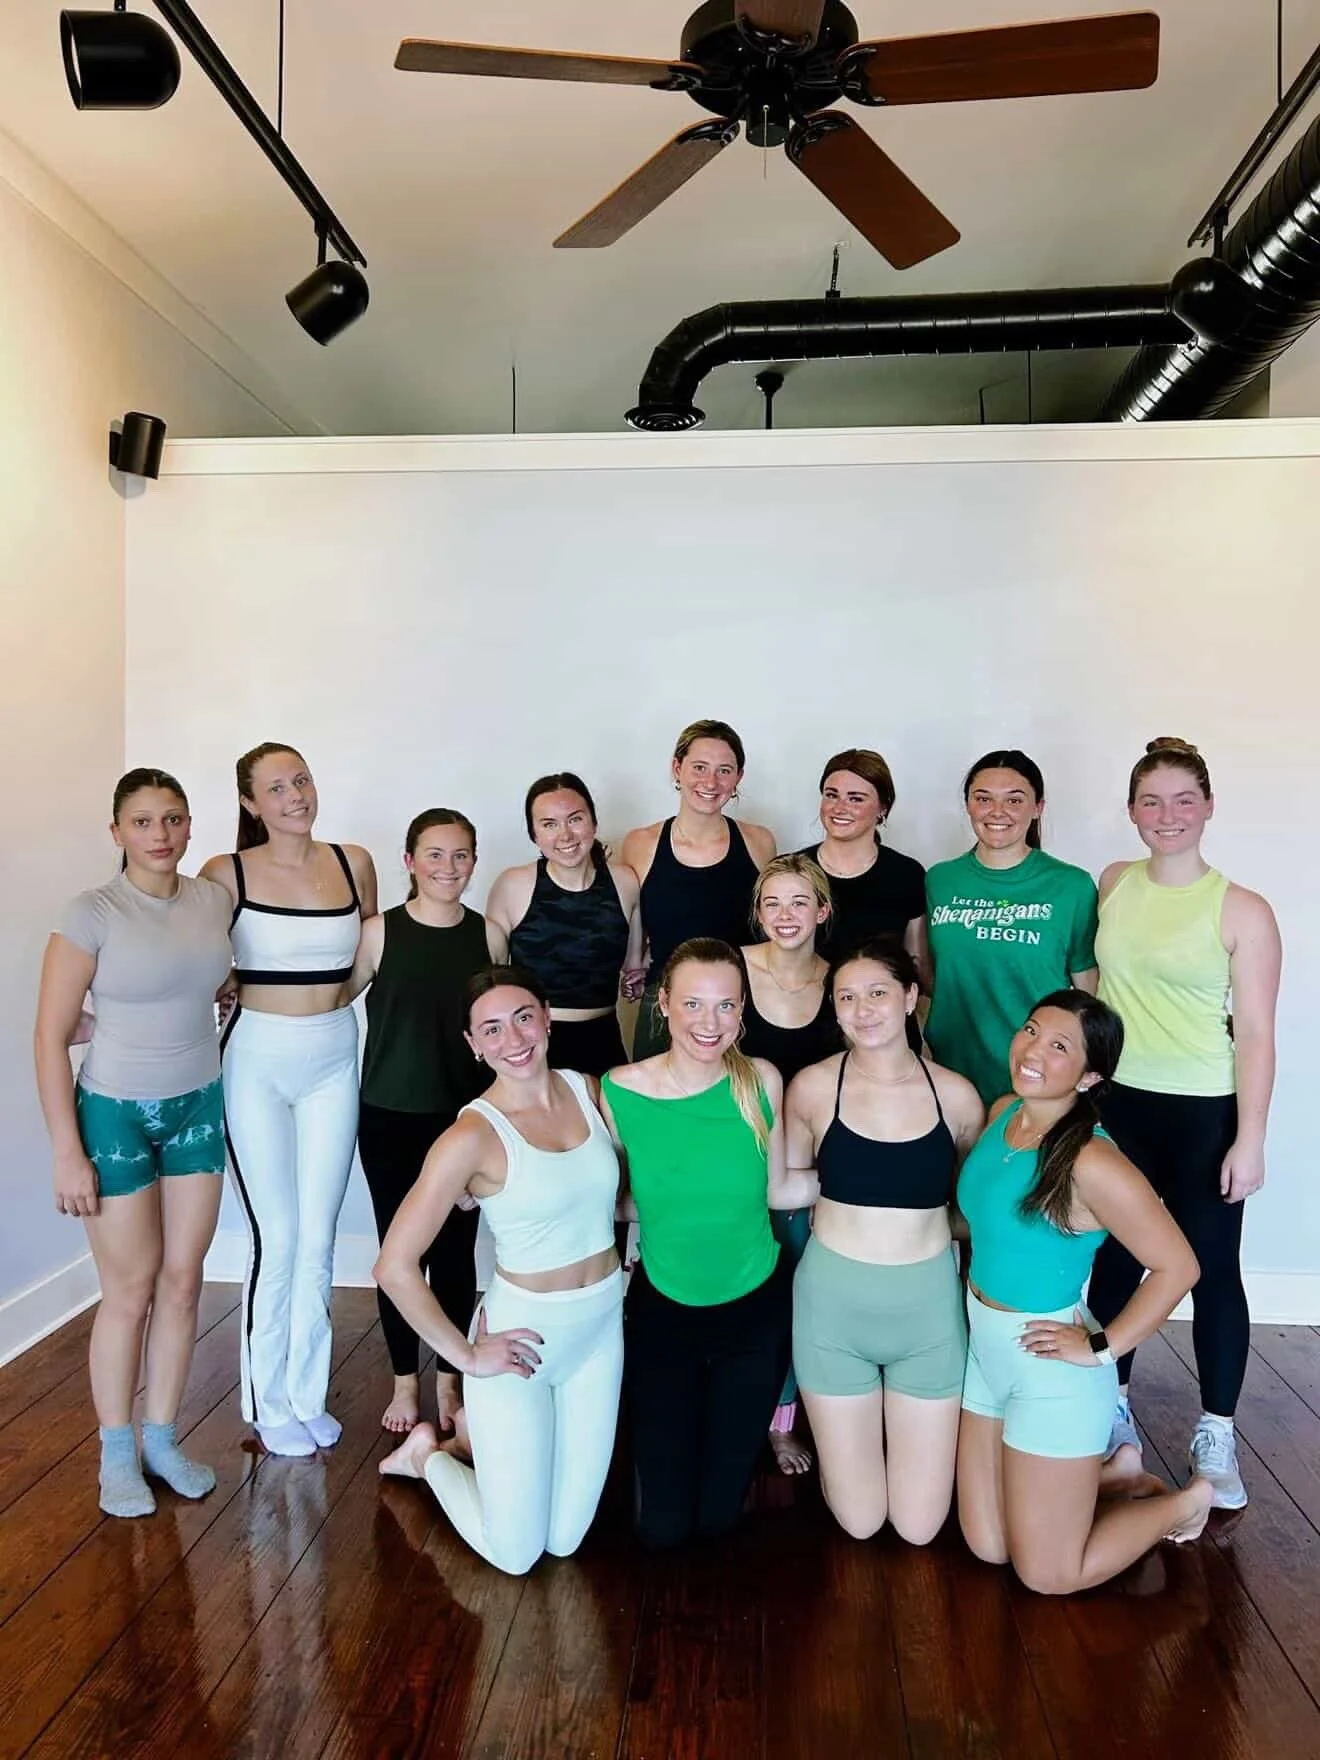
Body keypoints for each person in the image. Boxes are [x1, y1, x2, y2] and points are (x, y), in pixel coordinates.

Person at [956, 990, 1211, 1594]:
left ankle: (1186, 1503)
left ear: (1091, 1074)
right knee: (988, 1546)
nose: (1033, 1050)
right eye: (1031, 1030)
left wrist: (1100, 1345)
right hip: (983, 1352)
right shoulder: (1002, 1114)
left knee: (1047, 1574)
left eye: (1059, 1045)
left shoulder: (1093, 1163)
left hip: (1050, 1369)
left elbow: (1179, 1267)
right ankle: (1115, 1474)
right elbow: (983, 1222)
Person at [375, 967, 624, 1577]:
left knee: (565, 1540)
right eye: (491, 1028)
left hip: (599, 1330)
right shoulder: (470, 1136)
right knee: (517, 1556)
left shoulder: (590, 1091)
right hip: (522, 1342)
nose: (512, 1038)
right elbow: (394, 1266)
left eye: (522, 1017)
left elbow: (618, 1200)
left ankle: (466, 1445)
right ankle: (428, 1455)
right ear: (473, 1045)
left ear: (546, 1015)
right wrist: (465, 1356)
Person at [1089, 738, 1282, 1510]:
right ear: (1132, 810)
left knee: (1210, 1272)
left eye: (1181, 800)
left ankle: (1217, 1431)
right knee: (1110, 1266)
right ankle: (1111, 1414)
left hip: (1204, 1113)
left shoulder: (1242, 909)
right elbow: (1102, 992)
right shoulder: (1112, 884)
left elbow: (1260, 1034)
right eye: (1150, 801)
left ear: (1207, 806)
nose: (1166, 816)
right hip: (1119, 1106)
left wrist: (1252, 1135)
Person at [34, 769, 232, 1517]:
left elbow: (203, 974)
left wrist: (224, 986)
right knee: (130, 1290)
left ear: (189, 827)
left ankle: (162, 1439)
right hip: (114, 1116)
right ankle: (116, 1453)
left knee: (184, 1282)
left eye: (174, 819)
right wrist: (65, 1151)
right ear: (116, 832)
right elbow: (50, 1038)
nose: (161, 834)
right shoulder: (91, 912)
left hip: (198, 1108)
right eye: (144, 821)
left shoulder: (212, 900)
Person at [201, 742, 376, 1458]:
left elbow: (367, 957)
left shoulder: (352, 862)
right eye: (276, 787)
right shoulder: (226, 872)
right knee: (276, 1234)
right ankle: (267, 1400)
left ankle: (307, 1395)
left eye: (301, 779)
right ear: (250, 803)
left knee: (319, 1234)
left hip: (335, 1054)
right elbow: (191, 950)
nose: (294, 795)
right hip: (256, 1060)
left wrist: (326, 1009)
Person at [783, 939, 984, 1542]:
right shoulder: (813, 1088)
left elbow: (971, 1212)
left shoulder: (957, 1095)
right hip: (832, 1313)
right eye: (846, 997)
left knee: (920, 1528)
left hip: (927, 1316)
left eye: (877, 993)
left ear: (910, 998)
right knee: (863, 1522)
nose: (862, 1009)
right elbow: (788, 1193)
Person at [600, 938, 794, 1547]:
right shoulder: (618, 1091)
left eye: (725, 1007)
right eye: (693, 1004)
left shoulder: (761, 1081)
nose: (709, 1024)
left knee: (718, 1518)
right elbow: (613, 1195)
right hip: (664, 1313)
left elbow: (780, 1187)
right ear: (663, 1004)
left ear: (743, 1010)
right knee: (661, 1528)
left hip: (754, 1311)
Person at [349, 809, 491, 1437]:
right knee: (398, 1249)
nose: (447, 868)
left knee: (457, 1254)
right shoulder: (379, 933)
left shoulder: (488, 936)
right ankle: (406, 1381)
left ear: (474, 862)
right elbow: (326, 1002)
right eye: (434, 855)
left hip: (463, 1122)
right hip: (388, 1115)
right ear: (409, 862)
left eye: (460, 855)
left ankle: (450, 1382)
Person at [740, 853, 840, 1475]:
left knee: (805, 1296)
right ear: (757, 911)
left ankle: (784, 1421)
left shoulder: (844, 979)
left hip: (811, 1172)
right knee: (743, 1295)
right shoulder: (729, 968)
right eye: (773, 903)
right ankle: (730, 1405)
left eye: (800, 902)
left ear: (823, 911)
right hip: (740, 1164)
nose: (785, 916)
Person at [926, 750, 1098, 1105]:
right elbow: (930, 971)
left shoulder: (1072, 886)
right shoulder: (940, 880)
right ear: (968, 806)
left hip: (1036, 1074)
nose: (997, 812)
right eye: (983, 799)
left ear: (1038, 808)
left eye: (1015, 800)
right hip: (949, 1073)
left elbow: (1087, 994)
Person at [622, 720, 775, 1058]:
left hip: (736, 1005)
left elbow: (771, 926)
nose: (711, 782)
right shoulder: (640, 843)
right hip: (664, 1003)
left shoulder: (759, 842)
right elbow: (634, 915)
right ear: (677, 768)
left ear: (739, 778)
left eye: (724, 770)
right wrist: (633, 962)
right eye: (700, 767)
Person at [485, 772, 643, 1077]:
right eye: (549, 824)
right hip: (532, 1048)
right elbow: (488, 984)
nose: (565, 835)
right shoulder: (513, 885)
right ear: (534, 834)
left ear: (593, 822)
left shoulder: (625, 882)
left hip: (604, 1041)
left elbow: (634, 968)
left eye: (575, 819)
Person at [804, 748, 929, 982]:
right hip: (806, 1012)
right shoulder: (793, 870)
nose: (839, 808)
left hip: (881, 1013)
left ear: (883, 808)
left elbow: (916, 965)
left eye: (856, 799)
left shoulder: (906, 874)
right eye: (831, 795)